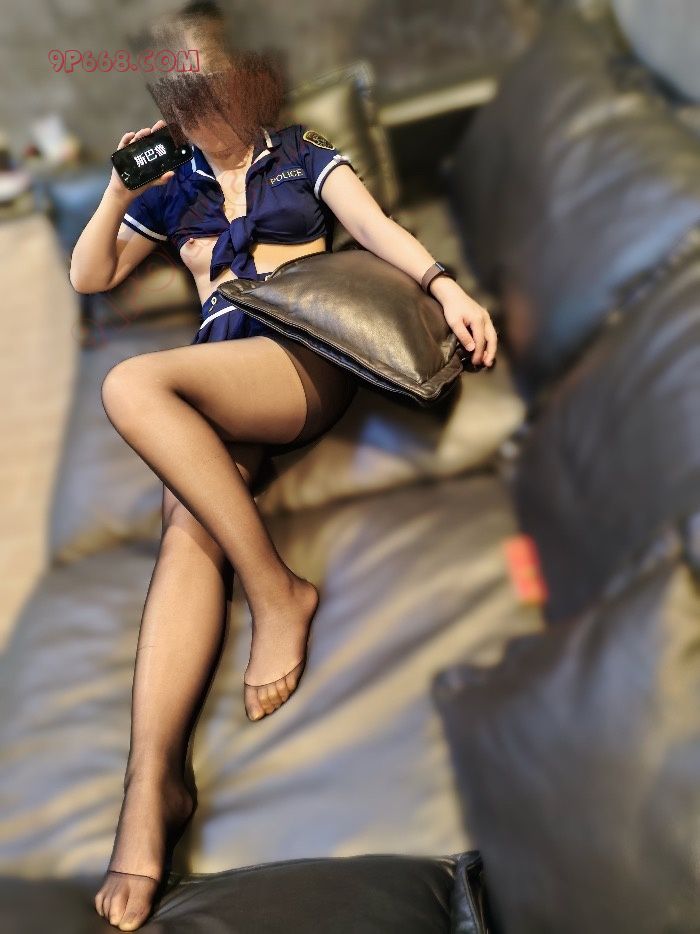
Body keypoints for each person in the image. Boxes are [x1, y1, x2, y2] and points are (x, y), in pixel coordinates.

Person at [69, 29, 498, 934]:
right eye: (184, 94)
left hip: (298, 359)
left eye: (214, 83)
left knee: (130, 384)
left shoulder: (300, 155)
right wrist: (118, 190)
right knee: (187, 526)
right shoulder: (170, 186)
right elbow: (90, 275)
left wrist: (446, 288)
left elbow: (376, 229)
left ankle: (276, 592)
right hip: (217, 376)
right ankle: (151, 793)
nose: (204, 106)